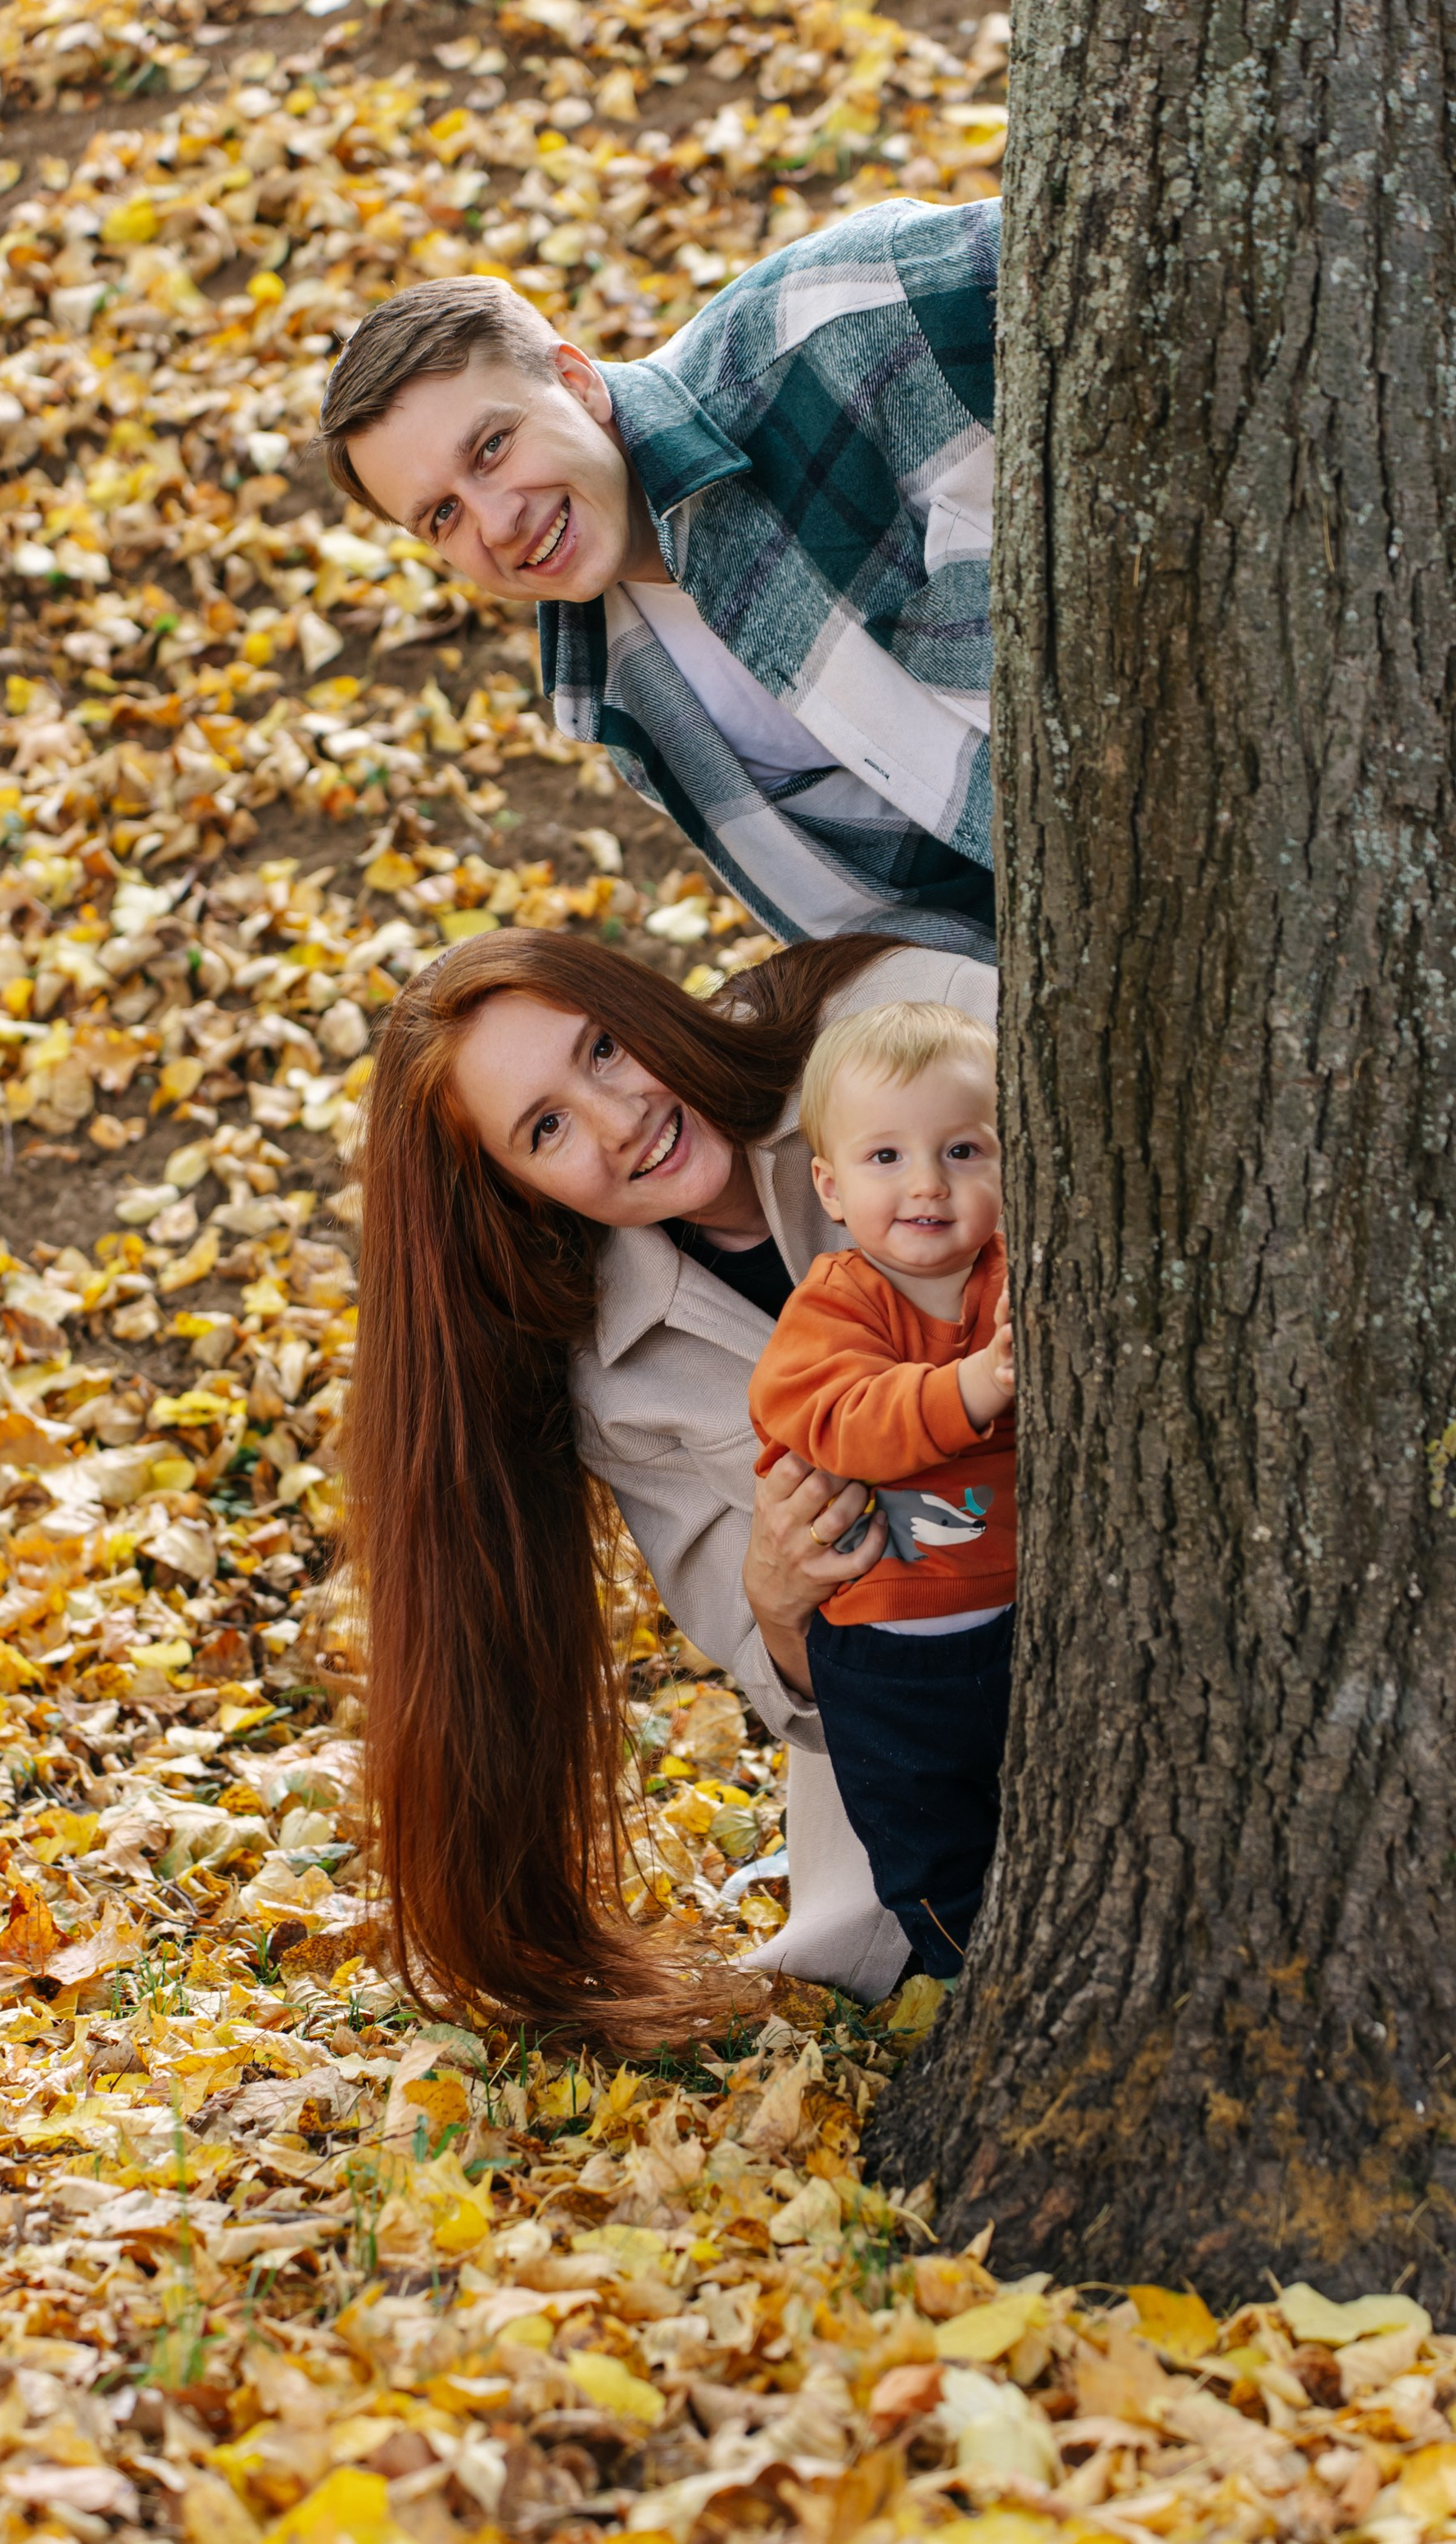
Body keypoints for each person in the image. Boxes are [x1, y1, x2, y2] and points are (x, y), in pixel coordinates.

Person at [343, 927, 996, 2039]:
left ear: (640, 1003)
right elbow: (791, 1699)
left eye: (603, 1050)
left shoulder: (897, 1022)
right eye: (546, 1129)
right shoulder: (615, 1376)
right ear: (515, 1188)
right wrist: (781, 1594)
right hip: (937, 1726)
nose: (619, 1120)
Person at [315, 199, 999, 958]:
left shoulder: (839, 314)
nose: (497, 523)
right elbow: (889, 920)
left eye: (491, 448)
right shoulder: (625, 692)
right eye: (442, 515)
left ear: (576, 383)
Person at [748, 1003, 1014, 1977]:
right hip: (888, 1662)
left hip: (1026, 1624)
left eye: (960, 1149)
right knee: (933, 1856)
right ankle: (968, 1983)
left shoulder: (1006, 1278)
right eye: (886, 1157)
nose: (928, 1184)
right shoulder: (833, 1305)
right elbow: (845, 1422)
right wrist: (973, 1386)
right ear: (829, 1183)